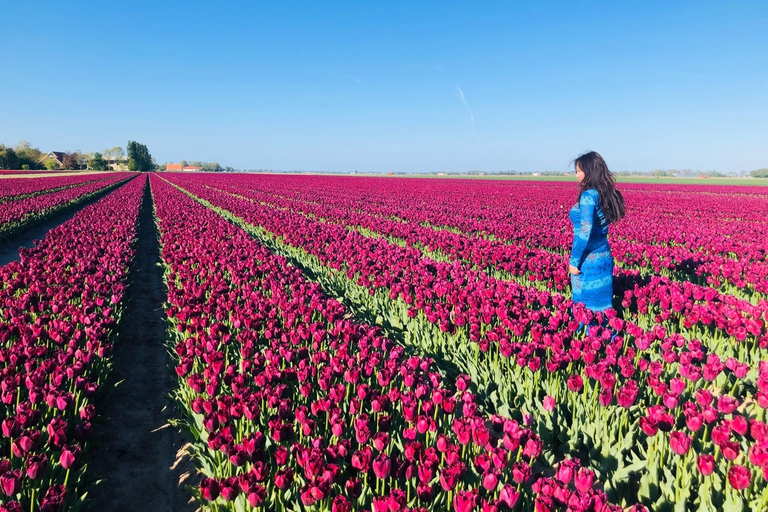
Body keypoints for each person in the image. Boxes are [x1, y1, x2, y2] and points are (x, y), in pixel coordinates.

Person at [568, 151, 625, 313]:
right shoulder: (607, 194)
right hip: (604, 258)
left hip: (587, 261)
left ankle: (585, 337)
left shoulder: (588, 196)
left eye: (579, 171)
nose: (576, 175)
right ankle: (610, 338)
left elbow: (585, 232)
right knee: (603, 309)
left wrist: (574, 262)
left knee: (583, 307)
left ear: (590, 170)